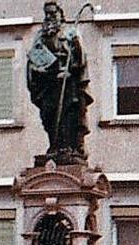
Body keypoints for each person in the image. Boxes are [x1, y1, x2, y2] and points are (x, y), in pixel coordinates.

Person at [27, 1, 93, 164]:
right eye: (46, 14)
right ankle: (54, 146)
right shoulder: (40, 37)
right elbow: (33, 61)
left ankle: (69, 147)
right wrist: (40, 71)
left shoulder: (70, 33)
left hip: (68, 83)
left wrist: (73, 60)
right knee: (49, 116)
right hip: (47, 85)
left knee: (69, 114)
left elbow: (80, 60)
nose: (49, 17)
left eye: (52, 13)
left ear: (60, 15)